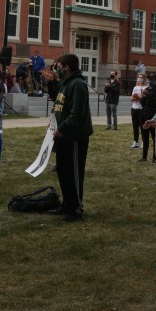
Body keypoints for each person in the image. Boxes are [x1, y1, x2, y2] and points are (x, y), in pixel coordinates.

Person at [44, 53, 93, 221]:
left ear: (67, 67)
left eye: (59, 65)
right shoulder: (65, 84)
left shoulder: (78, 84)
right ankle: (67, 204)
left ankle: (77, 208)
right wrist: (53, 124)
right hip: (63, 136)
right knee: (63, 172)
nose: (56, 67)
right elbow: (58, 105)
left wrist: (62, 129)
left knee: (74, 173)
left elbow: (77, 114)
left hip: (75, 137)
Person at [140, 73, 156, 162]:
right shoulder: (146, 89)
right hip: (144, 115)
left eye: (151, 80)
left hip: (153, 117)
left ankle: (155, 157)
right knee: (145, 138)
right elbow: (143, 103)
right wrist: (143, 97)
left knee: (154, 137)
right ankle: (144, 157)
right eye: (149, 80)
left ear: (155, 81)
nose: (149, 81)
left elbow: (155, 103)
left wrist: (147, 95)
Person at [130, 72, 147, 149]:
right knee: (135, 125)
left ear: (144, 79)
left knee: (142, 125)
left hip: (141, 109)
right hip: (134, 108)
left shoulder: (146, 88)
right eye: (138, 77)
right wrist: (134, 97)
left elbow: (144, 99)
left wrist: (139, 98)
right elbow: (131, 99)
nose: (139, 79)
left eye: (141, 77)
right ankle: (135, 141)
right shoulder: (135, 88)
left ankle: (144, 141)